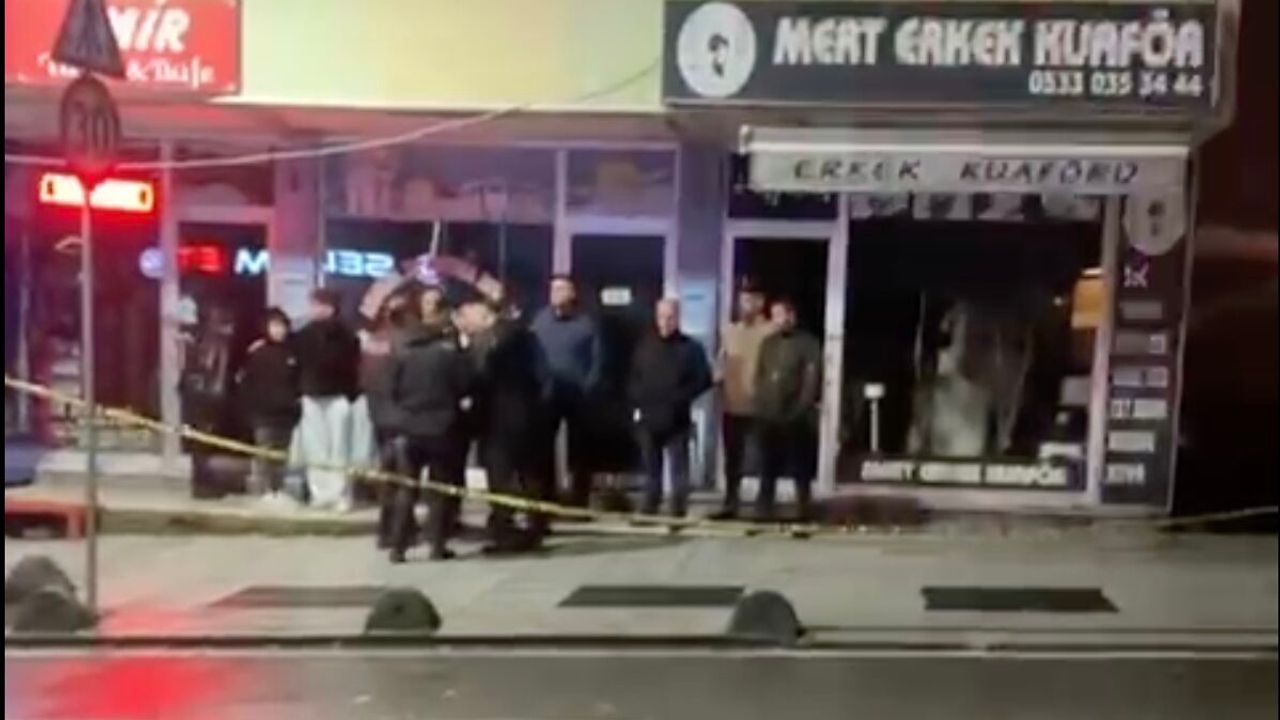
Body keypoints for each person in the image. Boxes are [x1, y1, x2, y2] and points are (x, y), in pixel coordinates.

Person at [457, 299, 551, 552]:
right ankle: (535, 527)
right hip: (527, 418)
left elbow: (476, 382)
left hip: (495, 422)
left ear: (485, 316)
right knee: (530, 475)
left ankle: (505, 532)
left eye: (467, 316)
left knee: (500, 478)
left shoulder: (487, 344)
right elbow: (544, 377)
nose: (464, 322)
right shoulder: (527, 338)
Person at [385, 307, 474, 563]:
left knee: (406, 490)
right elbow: (465, 385)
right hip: (442, 429)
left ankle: (398, 546)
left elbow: (392, 390)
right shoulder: (448, 356)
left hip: (409, 428)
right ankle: (437, 544)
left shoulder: (403, 356)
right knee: (439, 489)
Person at [628, 299, 712, 518]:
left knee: (679, 466)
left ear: (678, 318)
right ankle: (650, 503)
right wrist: (639, 401)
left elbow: (704, 379)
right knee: (651, 466)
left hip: (677, 418)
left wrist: (681, 398)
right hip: (649, 417)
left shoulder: (691, 348)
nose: (665, 322)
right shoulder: (645, 346)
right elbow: (633, 378)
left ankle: (678, 507)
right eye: (662, 317)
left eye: (670, 318)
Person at [530, 275, 603, 510]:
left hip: (578, 395)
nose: (556, 294)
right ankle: (546, 497)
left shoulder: (586, 324)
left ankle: (579, 500)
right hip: (547, 394)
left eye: (562, 289)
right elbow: (530, 353)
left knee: (581, 450)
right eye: (553, 289)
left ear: (573, 294)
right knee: (542, 448)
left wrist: (588, 386)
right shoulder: (540, 321)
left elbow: (599, 361)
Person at [753, 298, 822, 521]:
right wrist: (762, 403)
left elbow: (811, 380)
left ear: (792, 316)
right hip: (769, 415)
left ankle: (804, 507)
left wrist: (799, 408)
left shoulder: (808, 343)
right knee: (768, 466)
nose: (777, 320)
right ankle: (764, 508)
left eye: (781, 315)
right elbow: (760, 376)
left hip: (797, 417)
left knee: (800, 466)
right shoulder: (768, 344)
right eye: (774, 316)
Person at [292, 288, 361, 511]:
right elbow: (297, 366)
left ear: (331, 308)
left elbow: (353, 367)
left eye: (320, 305)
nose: (315, 309)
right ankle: (320, 493)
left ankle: (340, 493)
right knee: (315, 447)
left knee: (340, 447)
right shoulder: (302, 335)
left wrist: (350, 394)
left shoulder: (347, 336)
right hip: (311, 395)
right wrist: (299, 392)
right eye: (314, 304)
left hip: (338, 396)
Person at [712, 279, 773, 519]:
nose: (745, 305)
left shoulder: (770, 331)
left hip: (761, 407)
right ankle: (731, 502)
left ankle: (764, 505)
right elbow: (721, 362)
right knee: (732, 460)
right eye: (742, 300)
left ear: (760, 302)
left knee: (764, 459)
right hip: (732, 405)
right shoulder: (730, 331)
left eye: (750, 300)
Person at [237, 308, 301, 506]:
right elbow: (247, 383)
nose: (278, 330)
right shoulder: (257, 353)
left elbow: (298, 381)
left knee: (282, 455)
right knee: (264, 452)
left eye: (282, 326)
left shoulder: (293, 353)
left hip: (287, 414)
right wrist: (250, 409)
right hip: (263, 414)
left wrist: (295, 402)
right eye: (274, 326)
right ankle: (265, 490)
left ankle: (279, 489)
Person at [180, 304, 236, 500]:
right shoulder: (214, 343)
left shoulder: (202, 340)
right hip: (204, 399)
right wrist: (215, 396)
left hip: (199, 397)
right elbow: (214, 373)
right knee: (202, 442)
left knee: (201, 443)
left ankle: (201, 482)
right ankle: (202, 483)